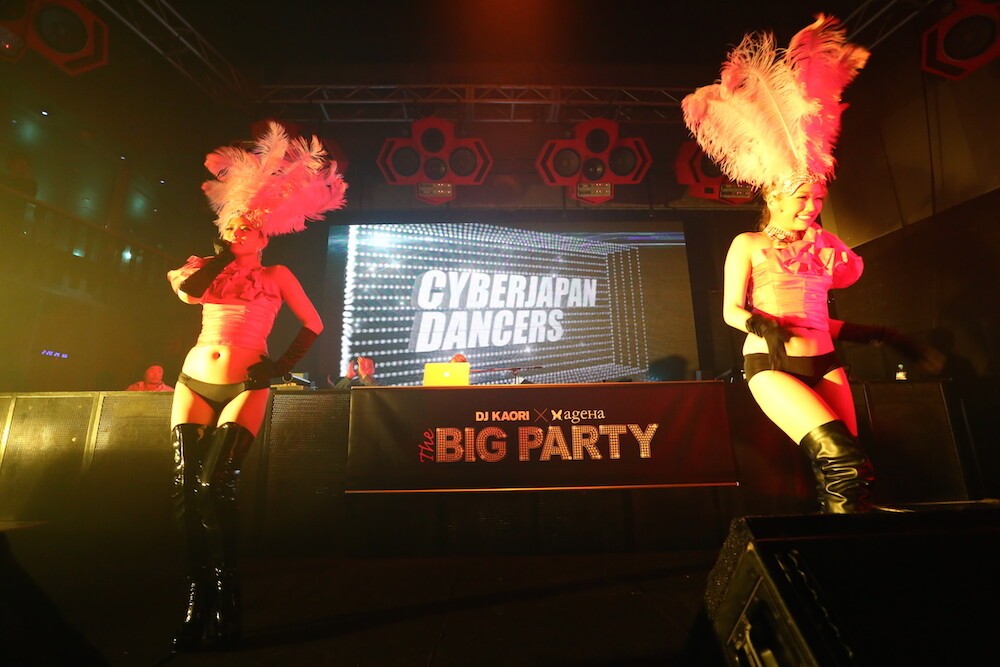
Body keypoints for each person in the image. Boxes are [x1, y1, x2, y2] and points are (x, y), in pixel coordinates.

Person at [684, 16, 938, 514]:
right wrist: (763, 325)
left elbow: (825, 310)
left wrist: (878, 334)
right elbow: (731, 311)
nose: (811, 207)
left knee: (855, 470)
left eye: (817, 199)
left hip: (825, 362)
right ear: (774, 199)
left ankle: (843, 541)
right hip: (772, 365)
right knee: (841, 459)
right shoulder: (749, 243)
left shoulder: (821, 244)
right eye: (802, 199)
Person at [165, 122, 346, 650]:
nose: (241, 228)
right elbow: (189, 294)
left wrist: (279, 366)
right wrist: (224, 255)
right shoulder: (203, 270)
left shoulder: (276, 275)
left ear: (265, 236)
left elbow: (314, 323)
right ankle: (197, 599)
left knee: (213, 485)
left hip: (246, 383)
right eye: (234, 224)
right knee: (184, 489)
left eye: (250, 226)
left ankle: (228, 597)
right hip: (193, 380)